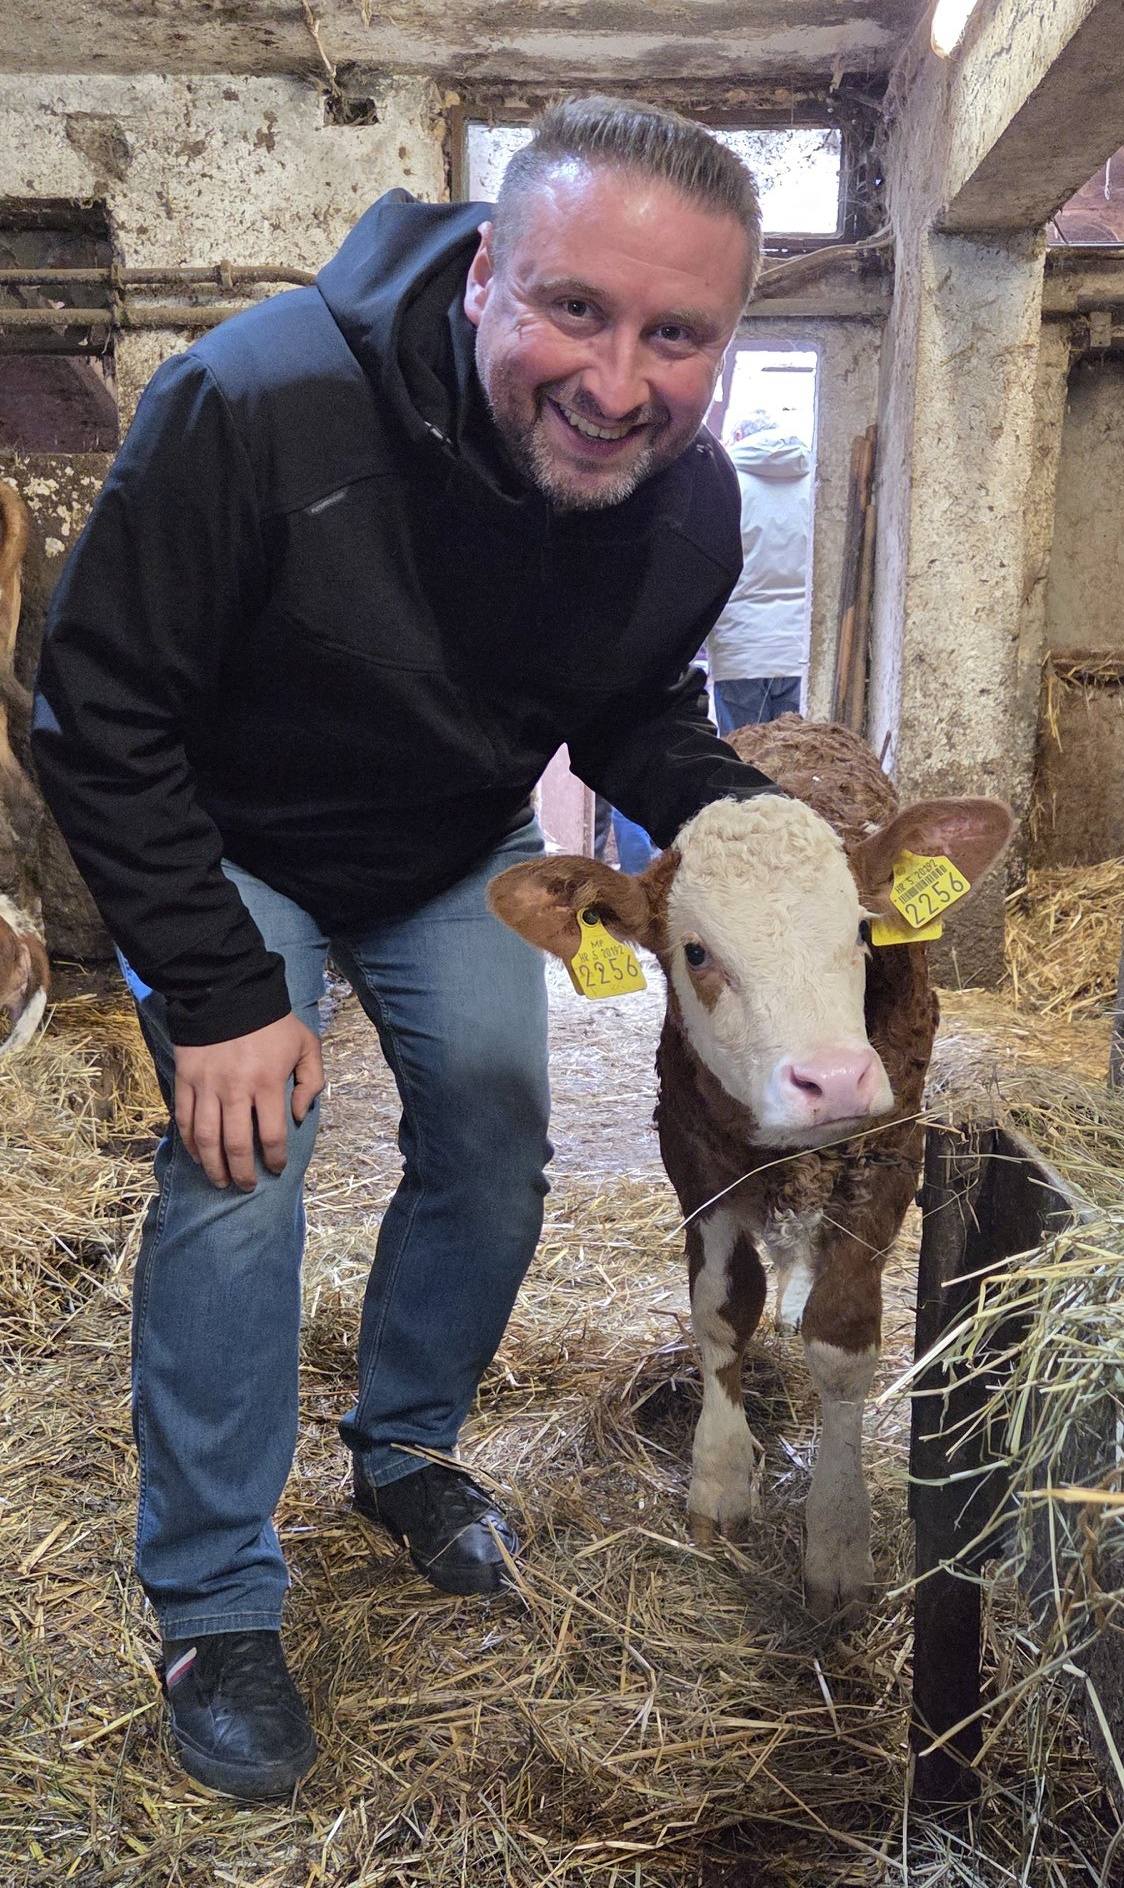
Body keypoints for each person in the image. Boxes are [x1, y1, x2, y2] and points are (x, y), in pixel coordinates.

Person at [31, 94, 780, 1800]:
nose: (618, 384)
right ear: (484, 279)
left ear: (722, 345)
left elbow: (629, 712)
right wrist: (220, 990)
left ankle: (405, 1446)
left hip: (448, 843)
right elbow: (100, 707)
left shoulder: (685, 503)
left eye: (677, 336)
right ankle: (214, 1598)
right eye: (575, 308)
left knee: (499, 1127)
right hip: (232, 839)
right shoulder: (254, 400)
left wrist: (756, 841)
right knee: (245, 1159)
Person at [705, 411, 812, 735]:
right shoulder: (814, 481)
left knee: (743, 758)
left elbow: (707, 570)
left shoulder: (725, 483)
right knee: (799, 758)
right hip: (798, 650)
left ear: (739, 438)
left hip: (740, 650)